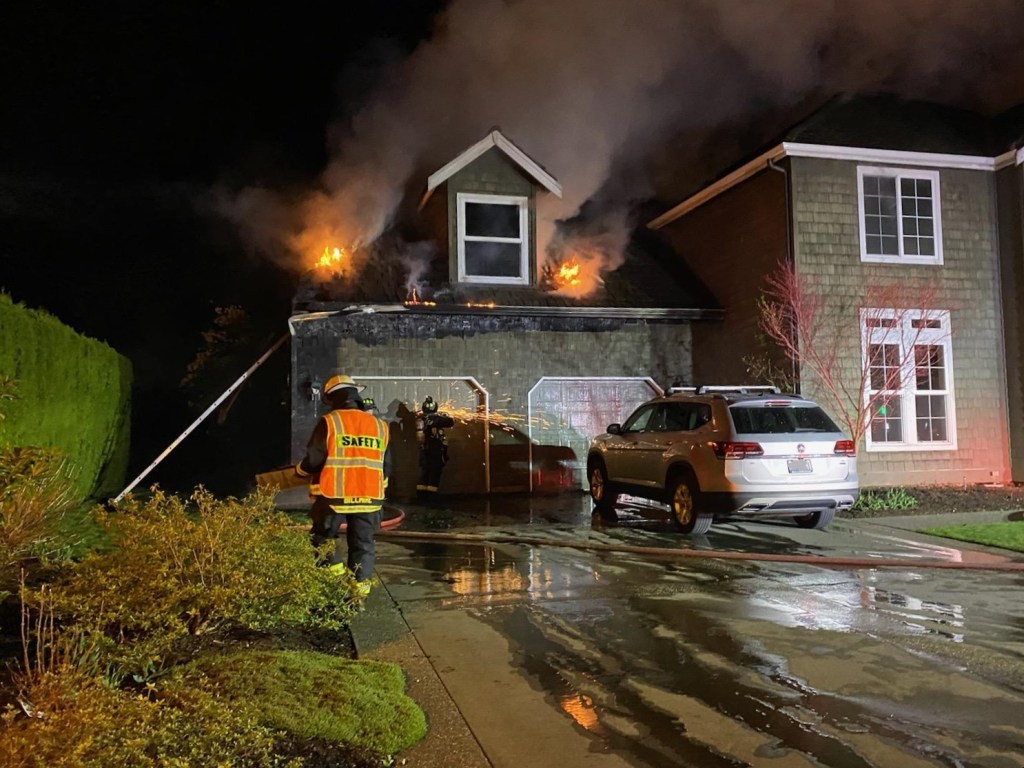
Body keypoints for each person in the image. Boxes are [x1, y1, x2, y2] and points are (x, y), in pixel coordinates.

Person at [295, 374, 392, 594]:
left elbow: (314, 459)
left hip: (335, 495)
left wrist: (299, 471)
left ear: (334, 398)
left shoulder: (331, 421)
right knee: (363, 545)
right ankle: (359, 593)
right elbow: (386, 466)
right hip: (371, 498)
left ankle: (335, 581)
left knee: (322, 538)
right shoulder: (380, 426)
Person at [416, 396, 455, 495]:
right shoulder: (438, 419)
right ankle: (431, 498)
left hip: (424, 450)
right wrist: (444, 416)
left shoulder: (420, 419)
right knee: (435, 472)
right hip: (436, 450)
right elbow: (451, 422)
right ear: (435, 408)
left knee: (424, 472)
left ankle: (421, 496)